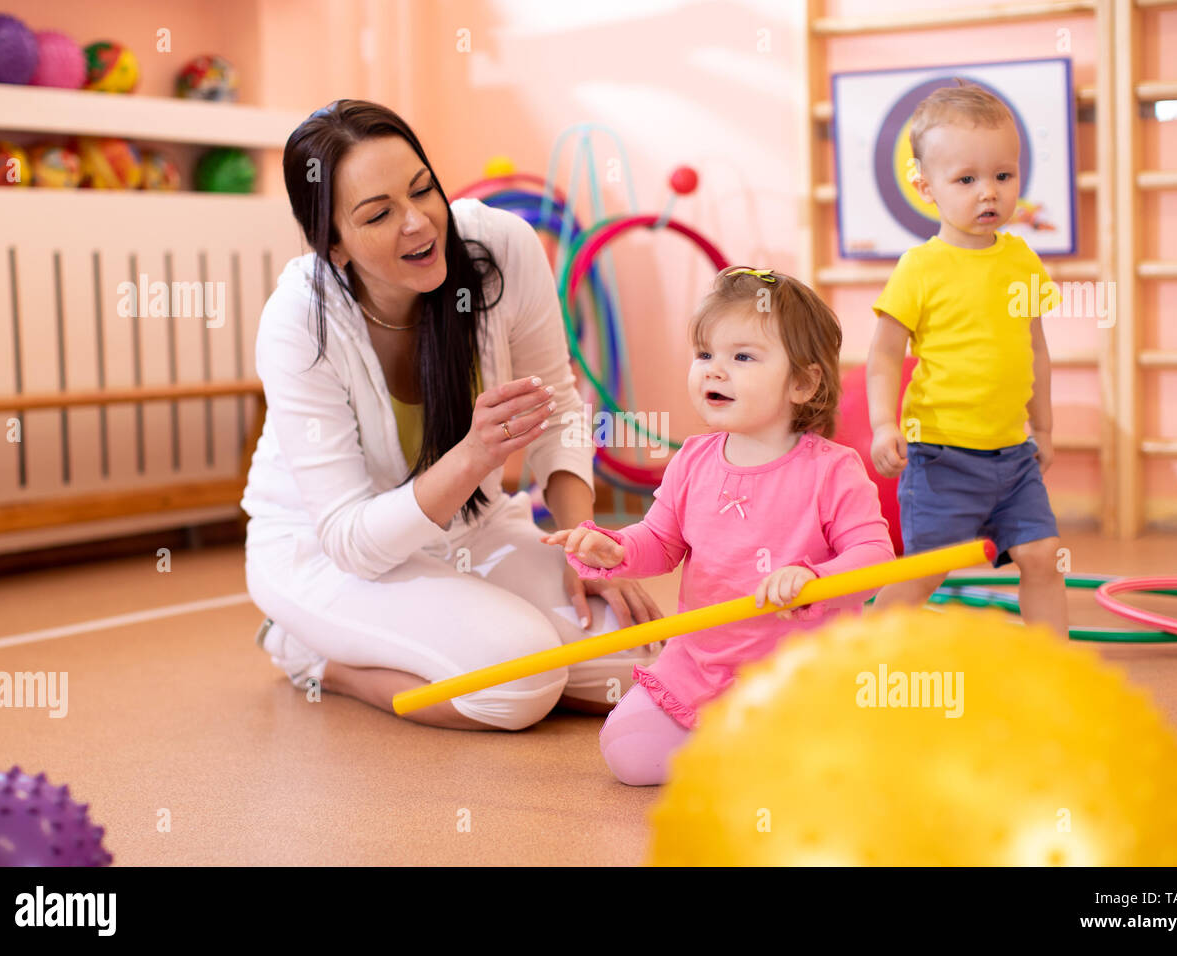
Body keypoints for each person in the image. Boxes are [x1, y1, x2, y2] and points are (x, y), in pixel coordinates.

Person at [241, 99, 664, 732]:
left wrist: (584, 548)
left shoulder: (500, 245)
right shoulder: (299, 322)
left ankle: (508, 650)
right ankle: (312, 656)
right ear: (333, 243)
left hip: (471, 527)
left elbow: (558, 403)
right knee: (520, 684)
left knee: (641, 668)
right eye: (380, 214)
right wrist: (473, 456)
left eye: (422, 190)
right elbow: (353, 542)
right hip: (327, 556)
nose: (418, 224)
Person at [543, 267, 895, 784]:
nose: (714, 371)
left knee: (825, 772)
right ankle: (734, 741)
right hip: (701, 664)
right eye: (705, 354)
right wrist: (614, 549)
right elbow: (660, 542)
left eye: (742, 357)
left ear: (803, 381)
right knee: (627, 754)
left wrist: (815, 580)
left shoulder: (833, 469)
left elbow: (875, 559)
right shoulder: (692, 459)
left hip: (800, 670)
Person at [865, 82, 1068, 635]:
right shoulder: (920, 267)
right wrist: (884, 423)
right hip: (940, 459)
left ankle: (1053, 672)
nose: (989, 194)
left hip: (1013, 457)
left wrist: (1043, 429)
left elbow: (1036, 350)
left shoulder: (1023, 261)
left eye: (1003, 176)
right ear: (924, 186)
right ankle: (863, 655)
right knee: (925, 573)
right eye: (967, 180)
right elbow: (883, 355)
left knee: (1043, 555)